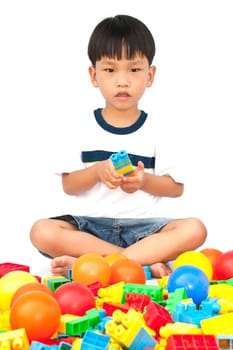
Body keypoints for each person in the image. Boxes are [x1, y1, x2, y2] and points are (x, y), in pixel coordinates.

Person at [30, 14, 207, 278]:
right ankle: (139, 263)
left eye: (134, 70)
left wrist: (143, 180)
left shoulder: (160, 130)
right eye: (110, 70)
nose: (122, 81)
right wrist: (97, 172)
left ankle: (99, 264)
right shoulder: (78, 127)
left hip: (145, 231)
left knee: (195, 229)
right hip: (90, 229)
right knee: (41, 231)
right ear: (94, 75)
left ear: (150, 75)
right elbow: (69, 186)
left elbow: (175, 188)